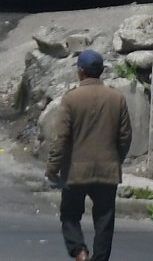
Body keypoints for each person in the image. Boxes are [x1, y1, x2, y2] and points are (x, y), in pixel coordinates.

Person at [45, 50, 133, 261]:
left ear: (81, 71)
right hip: (107, 171)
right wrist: (115, 160)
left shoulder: (71, 99)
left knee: (69, 215)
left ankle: (80, 251)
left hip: (76, 172)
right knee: (104, 221)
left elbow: (61, 138)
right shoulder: (117, 98)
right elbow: (125, 136)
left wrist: (52, 168)